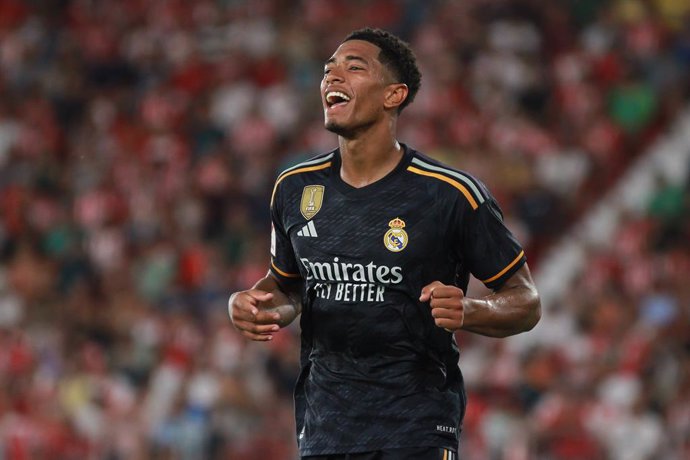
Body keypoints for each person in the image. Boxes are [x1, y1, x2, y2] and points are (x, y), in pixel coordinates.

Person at [228, 27, 541, 460]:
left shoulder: (450, 194)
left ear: (394, 95)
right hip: (324, 431)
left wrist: (471, 310)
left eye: (353, 68)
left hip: (416, 429)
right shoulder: (294, 188)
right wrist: (252, 305)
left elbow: (525, 300)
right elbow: (288, 286)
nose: (333, 77)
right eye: (328, 70)